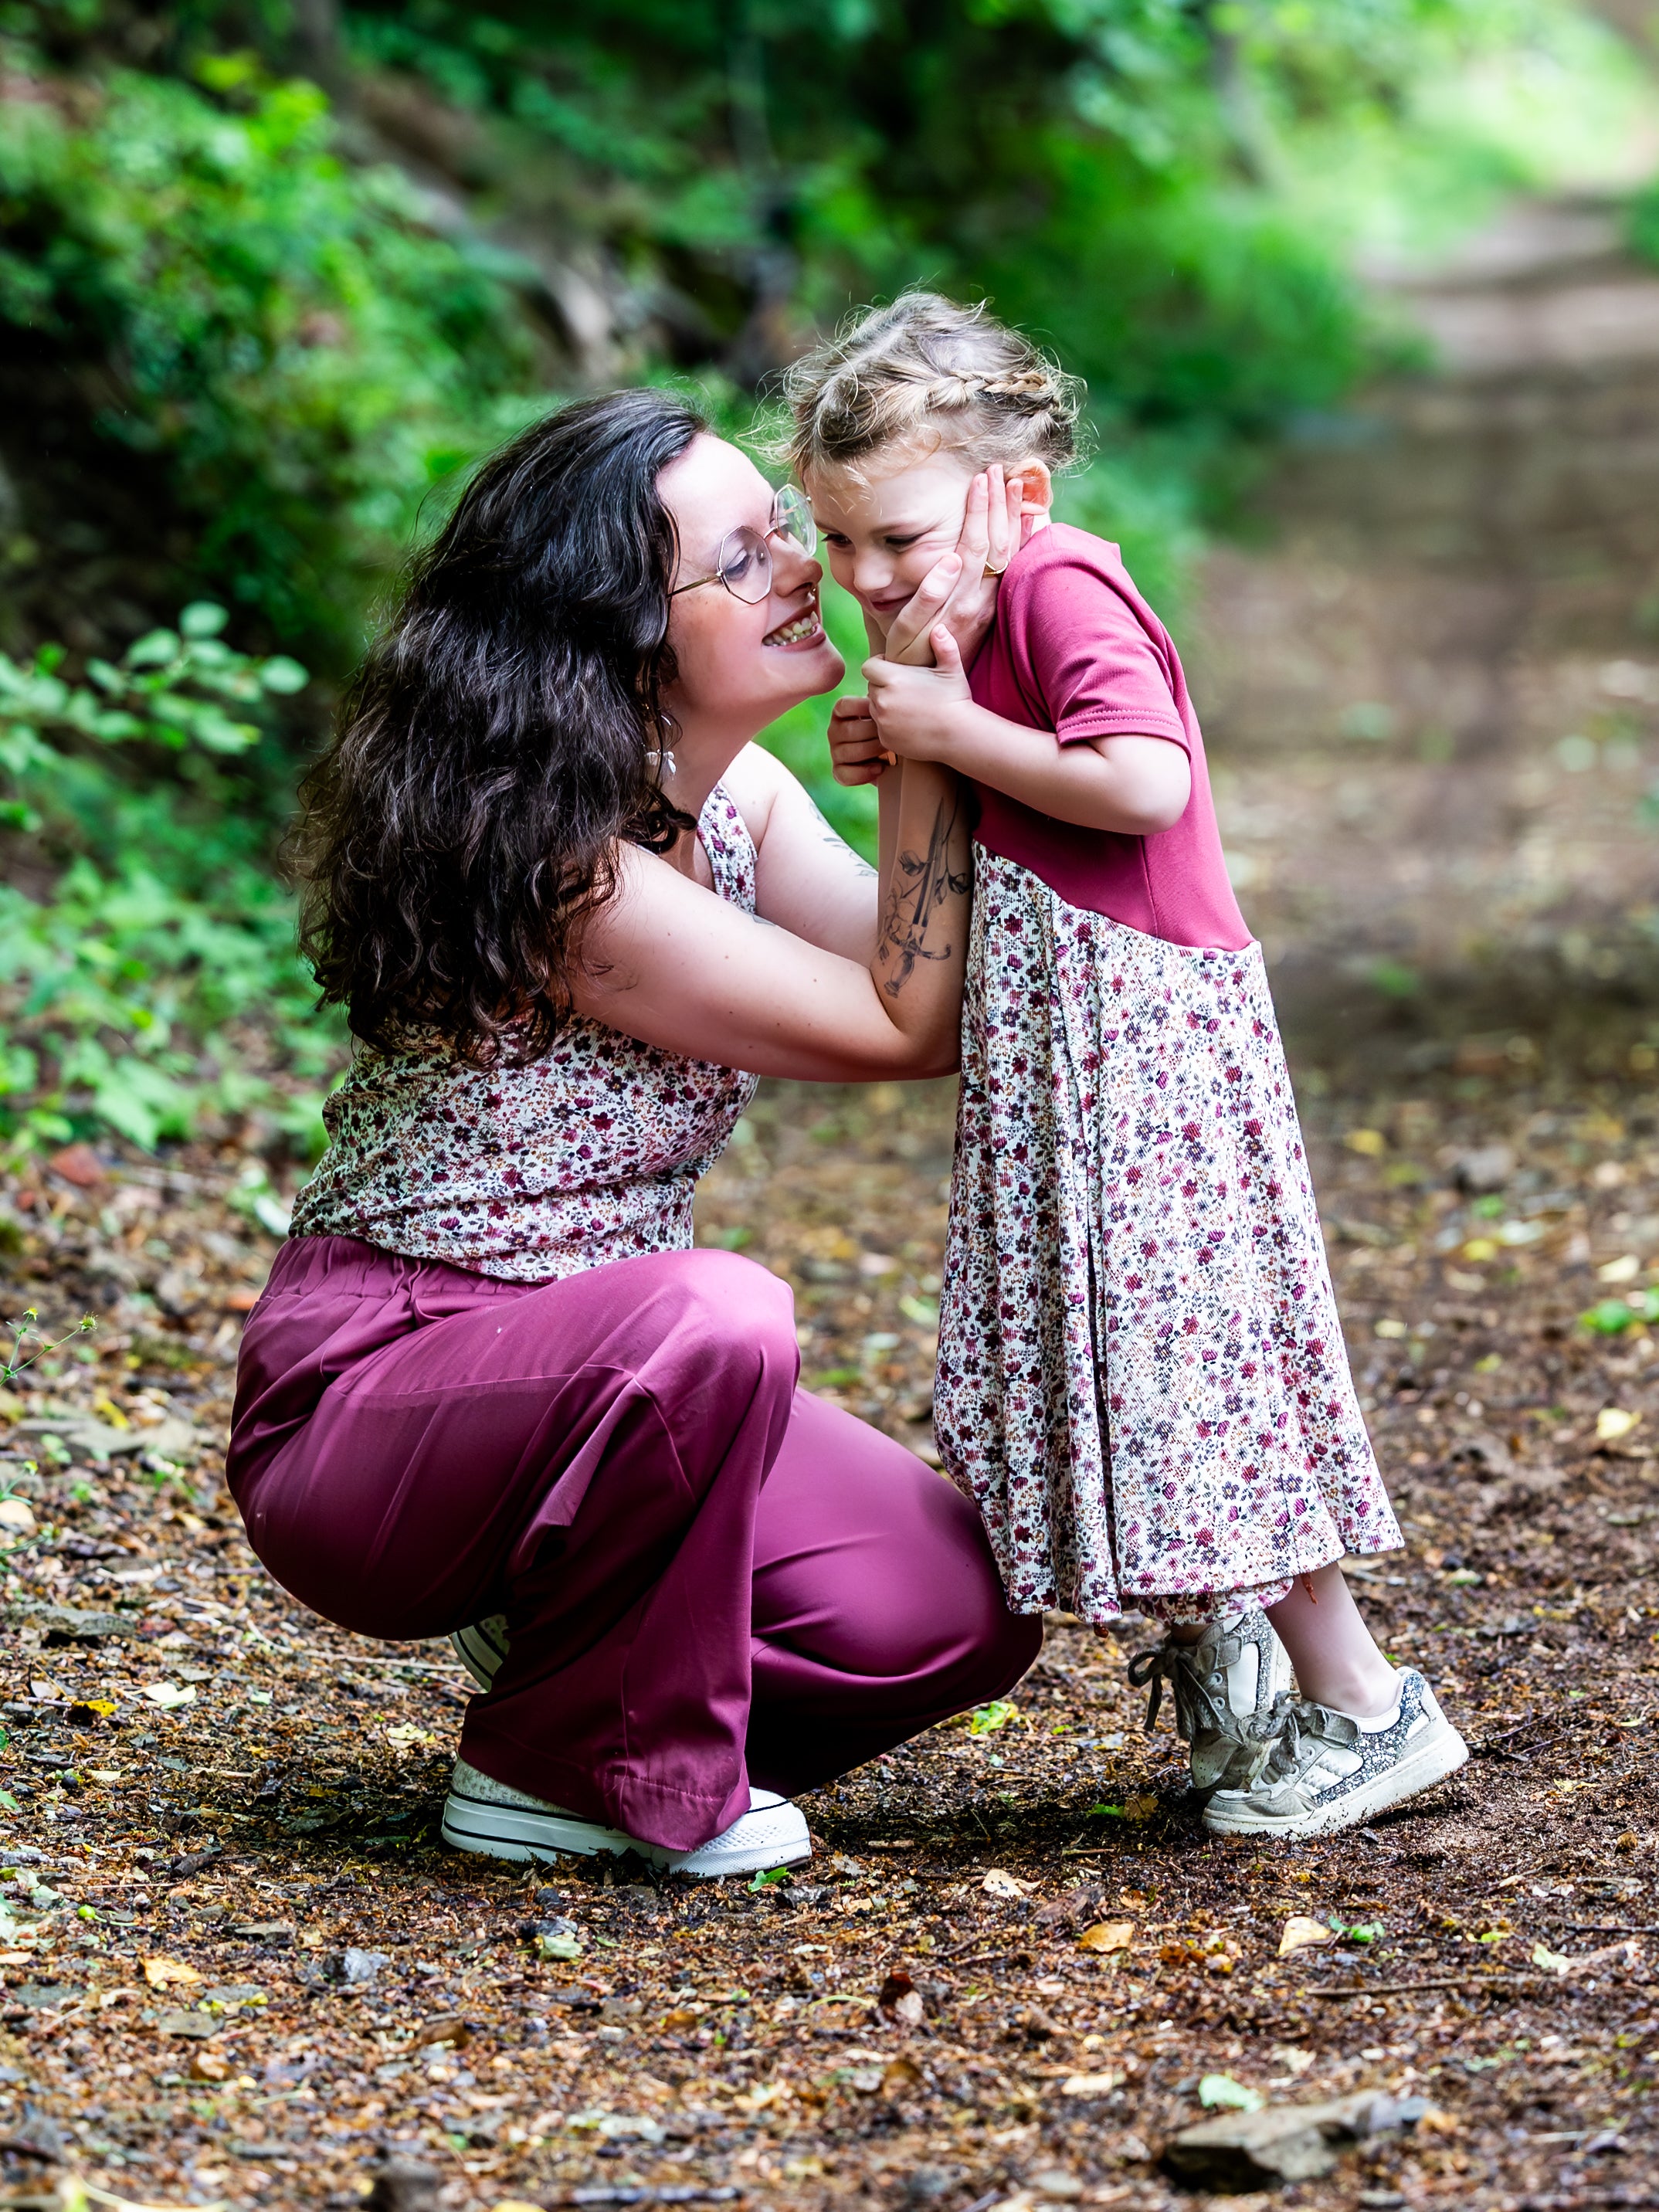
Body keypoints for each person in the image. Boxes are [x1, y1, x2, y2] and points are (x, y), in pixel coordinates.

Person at [226, 387, 1041, 1878]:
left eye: (782, 531)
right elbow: (903, 1028)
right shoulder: (561, 868)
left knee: (949, 1611)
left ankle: (589, 1675)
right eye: (741, 559)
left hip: (630, 1390)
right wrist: (927, 720)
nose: (800, 568)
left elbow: (947, 966)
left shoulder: (740, 801)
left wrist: (977, 702)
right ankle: (553, 1770)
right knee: (722, 1313)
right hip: (380, 1394)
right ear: (618, 636)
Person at [785, 293, 1469, 1839]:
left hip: (1145, 1045)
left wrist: (954, 729)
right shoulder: (966, 618)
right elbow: (978, 834)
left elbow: (1144, 782)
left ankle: (1366, 1702)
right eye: (837, 542)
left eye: (897, 536)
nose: (866, 574)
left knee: (1195, 1362)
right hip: (1066, 1056)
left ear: (1014, 495)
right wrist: (918, 743)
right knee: (1121, 1363)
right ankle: (1236, 1667)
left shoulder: (1063, 583)